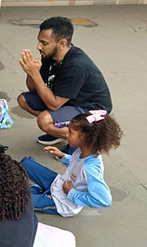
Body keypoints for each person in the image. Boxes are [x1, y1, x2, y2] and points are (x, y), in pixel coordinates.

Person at [17, 16, 112, 148]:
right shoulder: (50, 56)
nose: (38, 46)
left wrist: (36, 75)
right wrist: (32, 72)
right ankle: (59, 129)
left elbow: (54, 105)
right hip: (68, 101)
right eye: (39, 41)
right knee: (23, 100)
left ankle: (79, 140)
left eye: (44, 43)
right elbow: (33, 89)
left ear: (62, 43)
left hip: (91, 109)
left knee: (44, 120)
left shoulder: (76, 66)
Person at [21, 111, 122, 217]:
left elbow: (105, 200)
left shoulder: (90, 168)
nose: (66, 134)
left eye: (70, 132)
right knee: (25, 163)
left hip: (62, 203)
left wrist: (71, 193)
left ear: (83, 137)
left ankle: (37, 191)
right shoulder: (83, 150)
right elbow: (77, 163)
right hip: (59, 183)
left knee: (17, 201)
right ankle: (38, 190)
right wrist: (62, 156)